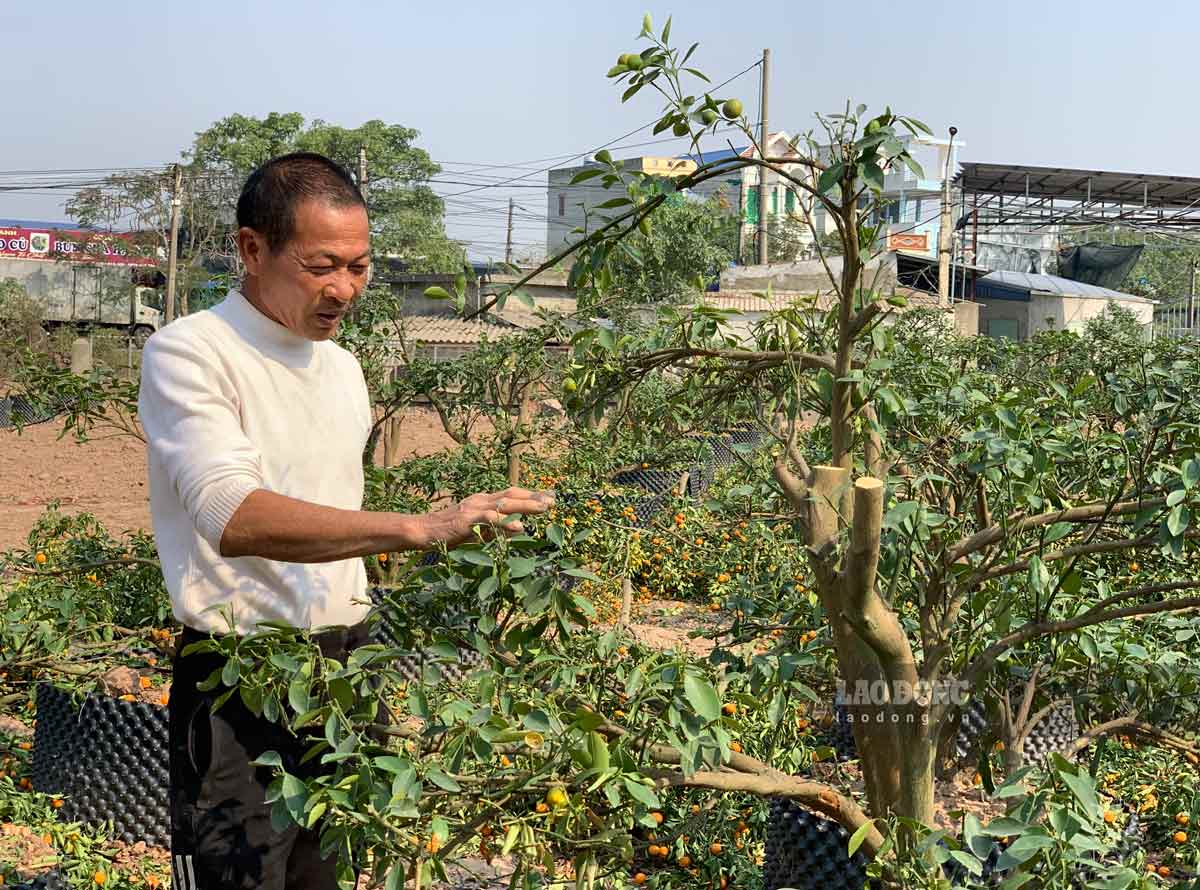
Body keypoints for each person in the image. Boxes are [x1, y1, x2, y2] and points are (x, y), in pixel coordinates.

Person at [138, 151, 554, 890]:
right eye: (322, 265)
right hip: (242, 675)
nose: (344, 289)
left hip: (346, 669)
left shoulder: (344, 368)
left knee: (330, 873)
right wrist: (422, 527)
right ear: (251, 248)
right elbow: (231, 515)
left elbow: (330, 504)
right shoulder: (192, 353)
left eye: (359, 266)